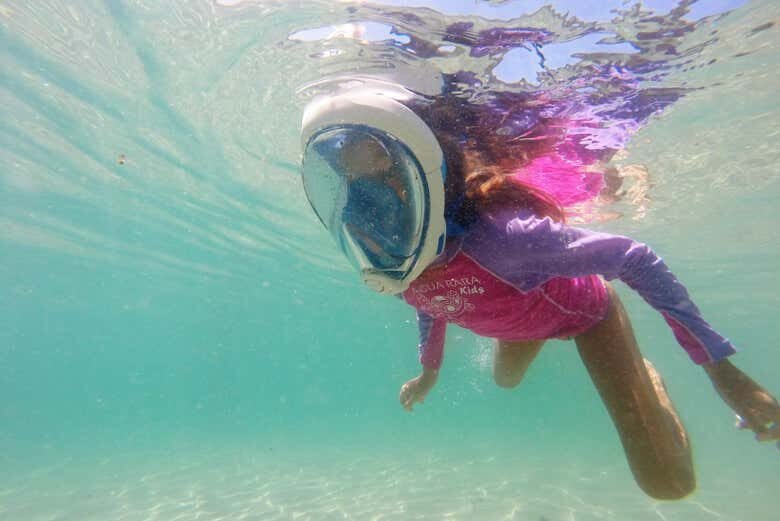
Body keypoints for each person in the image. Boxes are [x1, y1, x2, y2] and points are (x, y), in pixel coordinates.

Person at [299, 81, 780, 500]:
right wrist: (429, 371)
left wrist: (720, 370)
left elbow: (633, 257)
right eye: (356, 186)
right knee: (504, 381)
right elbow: (430, 300)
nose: (368, 205)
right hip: (523, 316)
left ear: (431, 174)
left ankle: (645, 377)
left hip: (586, 317)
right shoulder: (393, 254)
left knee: (668, 483)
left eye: (387, 178)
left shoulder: (507, 240)